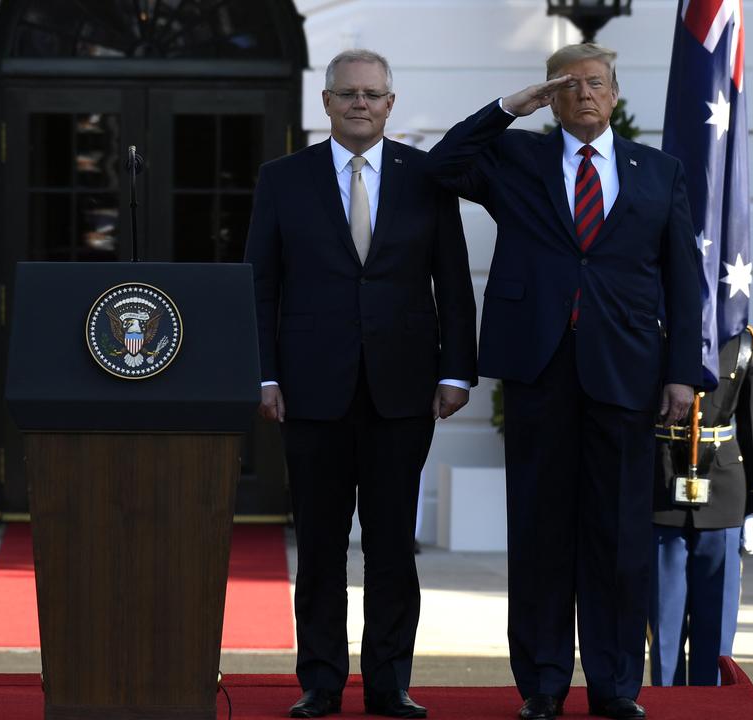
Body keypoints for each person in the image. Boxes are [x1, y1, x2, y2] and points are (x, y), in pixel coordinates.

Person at [425, 44, 700, 720]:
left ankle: (612, 685)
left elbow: (684, 281)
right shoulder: (517, 159)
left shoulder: (658, 172)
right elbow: (443, 166)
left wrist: (683, 375)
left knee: (619, 533)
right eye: (567, 85)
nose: (583, 94)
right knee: (541, 530)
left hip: (626, 370)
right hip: (538, 367)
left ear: (614, 93)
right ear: (551, 94)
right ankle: (543, 683)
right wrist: (509, 108)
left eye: (595, 83)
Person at [245, 49, 477, 719]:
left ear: (390, 104)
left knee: (392, 548)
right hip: (310, 390)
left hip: (403, 390)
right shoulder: (283, 179)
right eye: (347, 93)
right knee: (318, 545)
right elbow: (260, 285)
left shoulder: (425, 177)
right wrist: (264, 374)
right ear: (325, 102)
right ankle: (319, 680)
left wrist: (457, 370)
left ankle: (388, 684)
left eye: (373, 94)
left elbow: (454, 284)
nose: (360, 103)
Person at [650, 328, 753, 686]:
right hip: (663, 481)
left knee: (716, 630)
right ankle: (666, 703)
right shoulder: (655, 331)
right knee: (664, 627)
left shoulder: (745, 342)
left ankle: (710, 708)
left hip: (725, 487)